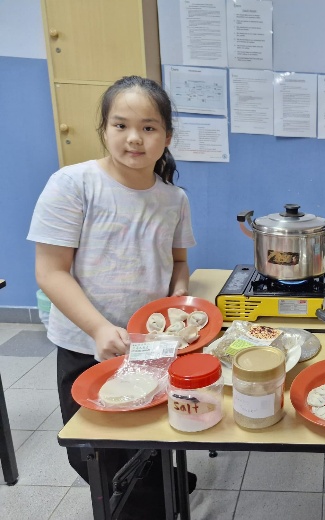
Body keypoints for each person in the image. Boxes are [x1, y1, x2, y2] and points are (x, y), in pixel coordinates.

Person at [27, 76, 196, 519]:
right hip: (88, 344)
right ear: (103, 129)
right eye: (120, 125)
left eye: (149, 127)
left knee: (153, 434)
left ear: (167, 137)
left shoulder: (173, 198)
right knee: (93, 452)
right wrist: (99, 328)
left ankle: (161, 492)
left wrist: (178, 302)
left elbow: (178, 263)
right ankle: (149, 497)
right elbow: (50, 271)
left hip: (150, 345)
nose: (134, 138)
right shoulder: (73, 184)